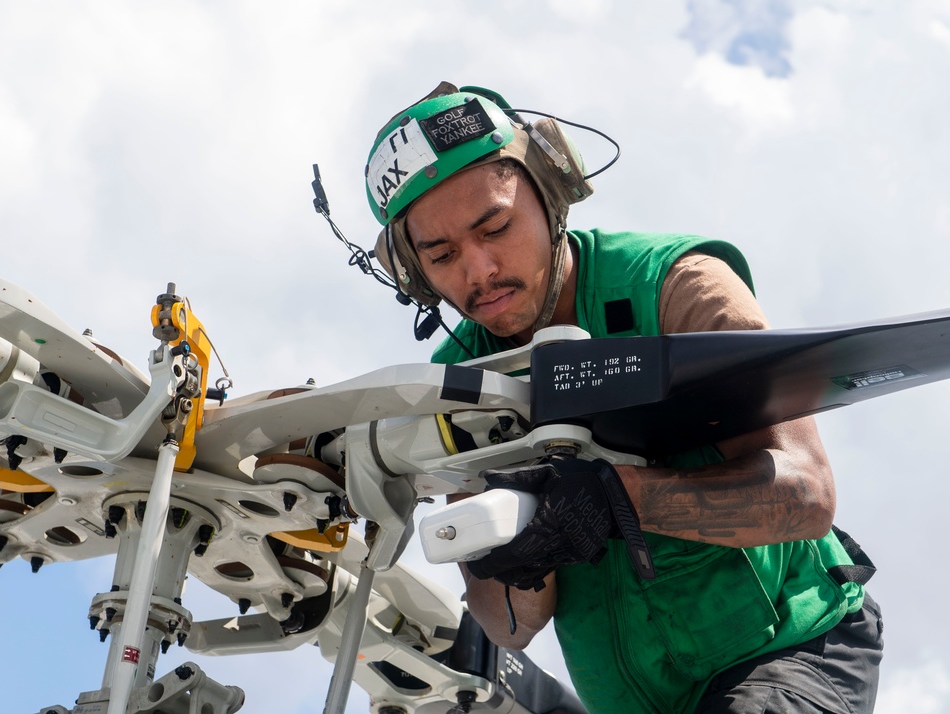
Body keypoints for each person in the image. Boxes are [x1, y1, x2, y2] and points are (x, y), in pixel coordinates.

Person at [363, 82, 883, 714]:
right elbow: (510, 628)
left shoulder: (677, 287)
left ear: (551, 194)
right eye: (441, 256)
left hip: (790, 650)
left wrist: (620, 500)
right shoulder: (452, 386)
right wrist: (520, 554)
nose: (479, 270)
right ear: (414, 274)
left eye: (496, 226)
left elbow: (806, 497)